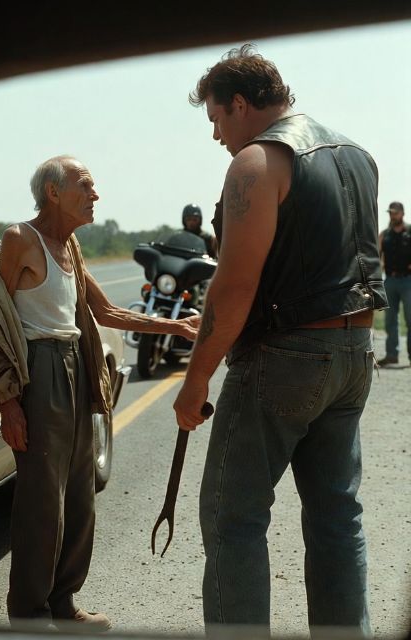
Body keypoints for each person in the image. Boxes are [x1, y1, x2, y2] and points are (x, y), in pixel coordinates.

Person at [173, 44, 387, 635]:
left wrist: (195, 380)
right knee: (337, 518)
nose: (216, 134)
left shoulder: (257, 162)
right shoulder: (359, 156)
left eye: (216, 117)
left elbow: (234, 286)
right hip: (355, 351)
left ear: (240, 104)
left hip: (284, 356)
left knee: (232, 519)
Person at [0, 155, 199, 630]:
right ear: (53, 192)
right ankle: (29, 613)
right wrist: (8, 403)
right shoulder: (20, 240)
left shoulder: (70, 246)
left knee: (79, 496)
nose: (95, 195)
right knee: (41, 502)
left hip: (75, 367)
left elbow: (106, 313)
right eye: (85, 185)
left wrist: (177, 326)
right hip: (39, 372)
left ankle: (63, 603)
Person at [378, 201, 411, 366]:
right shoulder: (384, 235)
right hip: (390, 280)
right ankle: (391, 355)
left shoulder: (410, 231)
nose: (393, 216)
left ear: (402, 213)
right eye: (391, 213)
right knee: (390, 320)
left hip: (408, 281)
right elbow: (376, 256)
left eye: (395, 213)